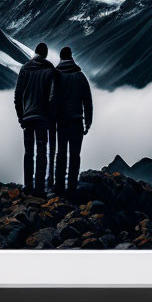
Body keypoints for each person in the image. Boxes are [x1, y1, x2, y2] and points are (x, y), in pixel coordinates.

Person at [14, 42, 56, 195]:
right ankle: (39, 188)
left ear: (35, 53)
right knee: (41, 152)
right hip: (43, 118)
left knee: (28, 153)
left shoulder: (25, 69)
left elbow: (18, 96)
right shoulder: (50, 69)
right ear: (44, 54)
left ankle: (27, 186)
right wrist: (51, 117)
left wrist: (21, 117)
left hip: (28, 117)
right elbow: (53, 96)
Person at [50, 46, 93, 195]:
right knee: (75, 156)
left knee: (61, 154)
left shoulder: (56, 75)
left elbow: (52, 98)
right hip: (77, 121)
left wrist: (52, 119)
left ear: (61, 58)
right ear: (71, 57)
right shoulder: (80, 76)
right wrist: (88, 122)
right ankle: (72, 187)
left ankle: (59, 187)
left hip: (61, 122)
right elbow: (87, 101)